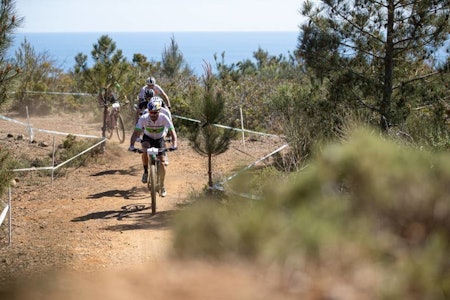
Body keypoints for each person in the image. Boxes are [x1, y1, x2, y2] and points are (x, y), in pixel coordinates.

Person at [128, 97, 178, 197]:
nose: (153, 115)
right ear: (148, 111)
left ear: (159, 111)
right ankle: (146, 171)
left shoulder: (164, 117)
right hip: (148, 138)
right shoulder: (144, 118)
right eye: (151, 112)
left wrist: (174, 144)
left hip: (159, 139)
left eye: (155, 113)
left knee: (163, 162)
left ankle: (162, 185)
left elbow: (173, 133)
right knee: (145, 150)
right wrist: (131, 145)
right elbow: (135, 133)